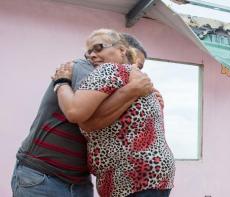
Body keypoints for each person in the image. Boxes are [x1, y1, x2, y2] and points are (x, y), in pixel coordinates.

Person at [11, 32, 154, 197]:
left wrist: (147, 95)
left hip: (79, 182)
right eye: (132, 59)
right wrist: (61, 83)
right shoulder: (86, 67)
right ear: (121, 51)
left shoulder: (123, 83)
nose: (135, 68)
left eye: (140, 67)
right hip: (43, 176)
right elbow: (82, 115)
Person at [53, 29, 175, 197]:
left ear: (121, 50)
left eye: (99, 48)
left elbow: (74, 112)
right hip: (157, 174)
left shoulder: (110, 70)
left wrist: (61, 82)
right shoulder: (142, 84)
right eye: (89, 52)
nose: (92, 56)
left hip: (131, 177)